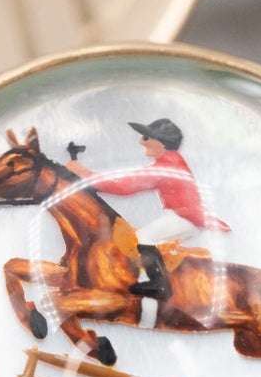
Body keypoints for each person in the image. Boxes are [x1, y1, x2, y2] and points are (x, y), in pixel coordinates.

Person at [67, 118, 230, 305]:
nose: (141, 142)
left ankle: (160, 285)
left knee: (143, 236)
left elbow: (122, 187)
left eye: (146, 138)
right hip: (179, 215)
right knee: (144, 240)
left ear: (161, 143)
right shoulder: (170, 162)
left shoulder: (165, 167)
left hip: (183, 217)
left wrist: (82, 171)